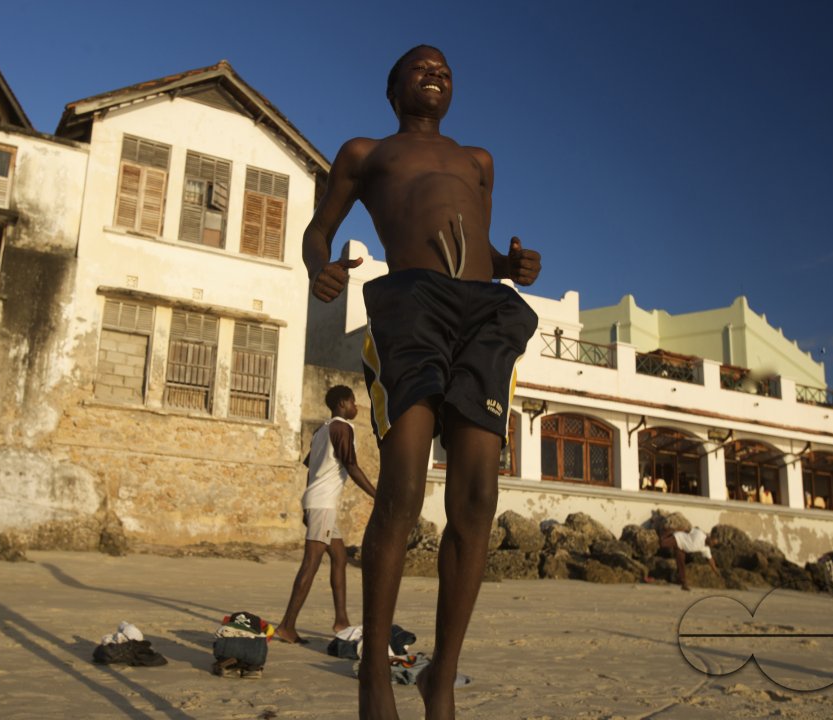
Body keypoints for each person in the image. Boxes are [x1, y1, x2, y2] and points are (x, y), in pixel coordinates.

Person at [303, 45, 542, 720]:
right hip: (410, 301)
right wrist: (318, 269)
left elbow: (483, 247)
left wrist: (512, 263)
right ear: (394, 88)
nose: (435, 73)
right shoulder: (364, 152)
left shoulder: (478, 161)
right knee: (403, 486)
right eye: (421, 67)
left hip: (482, 310)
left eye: (445, 69)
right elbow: (317, 232)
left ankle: (442, 679)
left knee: (477, 496)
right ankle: (374, 675)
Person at [274, 385, 376, 645]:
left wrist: (306, 506)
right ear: (343, 403)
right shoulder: (343, 428)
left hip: (317, 502)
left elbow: (311, 471)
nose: (357, 407)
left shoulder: (321, 430)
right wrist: (377, 494)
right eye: (354, 402)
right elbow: (351, 466)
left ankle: (341, 619)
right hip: (323, 505)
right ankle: (287, 626)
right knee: (311, 563)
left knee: (340, 558)